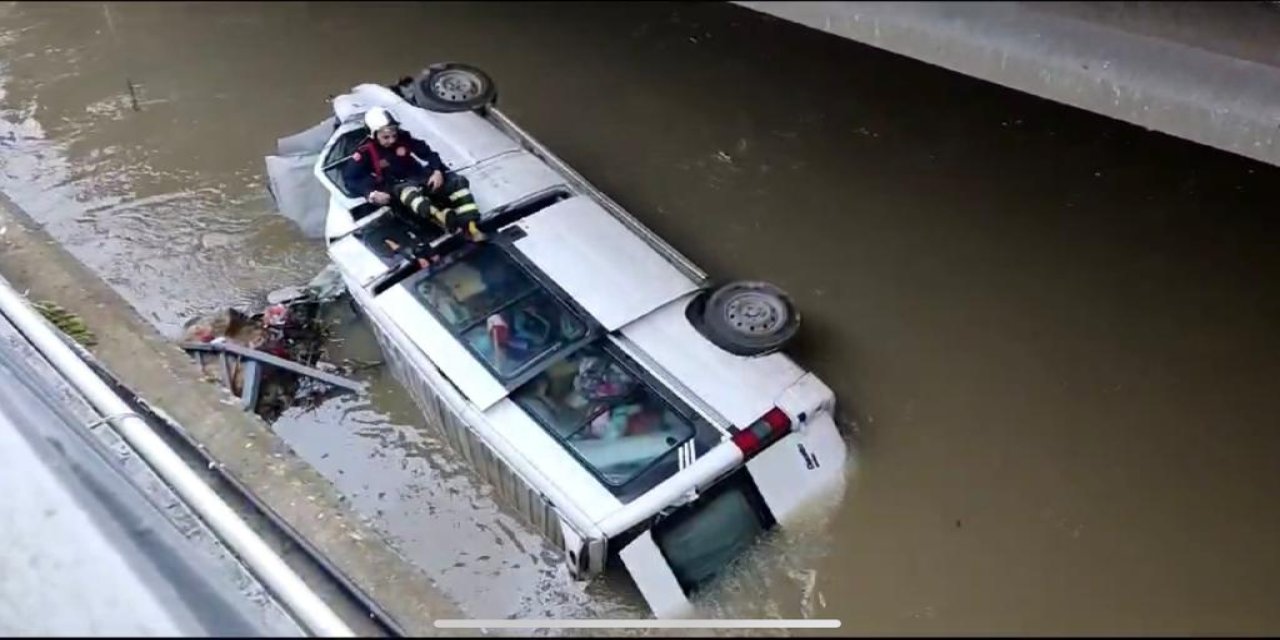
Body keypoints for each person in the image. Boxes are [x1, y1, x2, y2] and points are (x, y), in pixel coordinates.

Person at [342, 106, 485, 241]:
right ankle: (442, 219)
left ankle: (470, 225)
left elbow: (429, 153)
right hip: (397, 187)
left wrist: (437, 171)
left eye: (393, 135)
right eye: (386, 137)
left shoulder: (404, 138)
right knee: (409, 194)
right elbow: (350, 179)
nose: (392, 140)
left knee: (457, 182)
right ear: (374, 135)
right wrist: (371, 193)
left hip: (420, 178)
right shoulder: (365, 153)